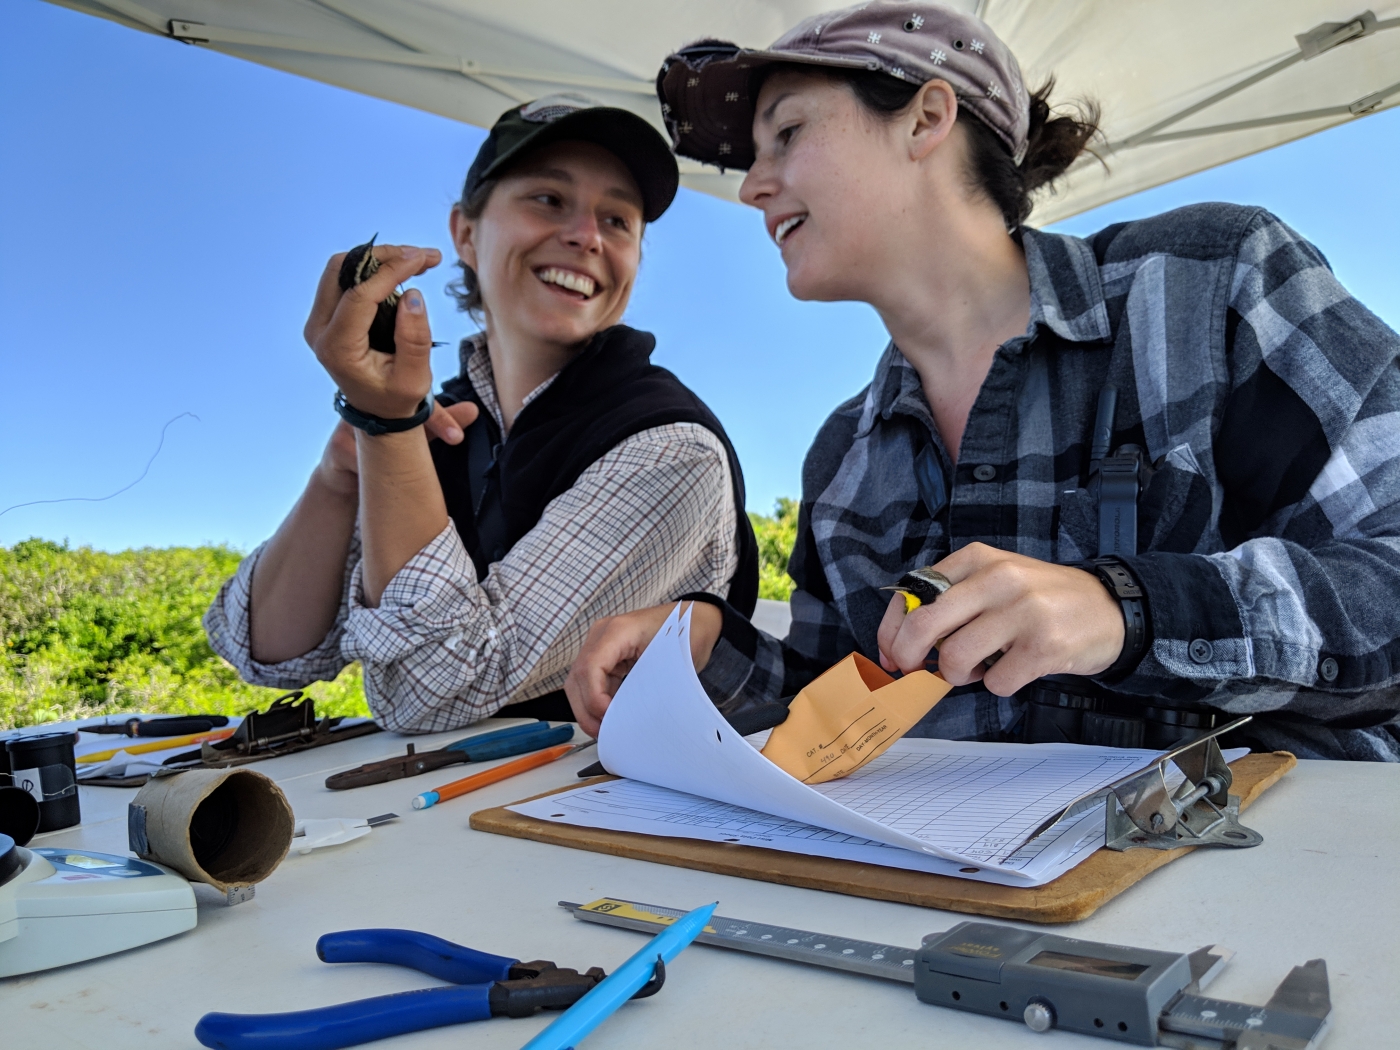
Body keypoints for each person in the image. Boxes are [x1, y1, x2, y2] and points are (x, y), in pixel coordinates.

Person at [565, 2, 1400, 760]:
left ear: (927, 117)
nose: (751, 186)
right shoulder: (841, 459)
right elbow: (844, 712)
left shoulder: (1209, 281)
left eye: (786, 133)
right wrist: (716, 648)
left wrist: (1128, 609)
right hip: (960, 914)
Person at [206, 95, 758, 732]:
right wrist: (340, 476)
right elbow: (269, 652)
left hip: (610, 820)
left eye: (618, 220)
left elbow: (430, 696)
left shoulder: (668, 447)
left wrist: (386, 431)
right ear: (465, 232)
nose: (586, 236)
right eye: (549, 199)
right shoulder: (437, 426)